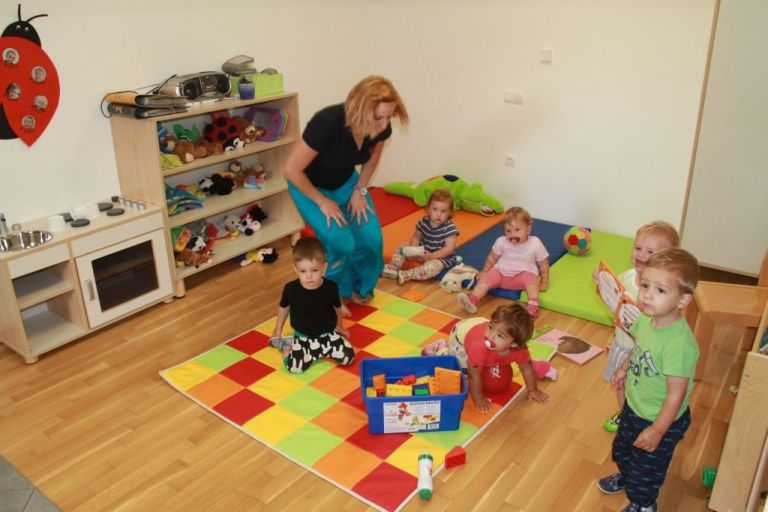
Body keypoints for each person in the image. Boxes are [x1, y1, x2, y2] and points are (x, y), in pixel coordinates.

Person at [283, 75, 409, 315]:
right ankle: (330, 294)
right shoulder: (327, 123)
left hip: (345, 182)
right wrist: (322, 201)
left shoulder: (380, 129)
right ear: (360, 111)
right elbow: (291, 170)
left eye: (388, 117)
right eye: (379, 118)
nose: (385, 125)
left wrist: (360, 190)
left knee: (372, 240)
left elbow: (372, 159)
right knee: (341, 243)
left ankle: (355, 288)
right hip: (308, 186)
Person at [597, 248, 699, 512]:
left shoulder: (679, 345)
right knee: (623, 449)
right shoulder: (646, 320)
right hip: (635, 406)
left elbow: (676, 395)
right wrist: (623, 367)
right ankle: (627, 476)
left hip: (660, 418)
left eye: (660, 290)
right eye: (644, 285)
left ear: (683, 300)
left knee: (647, 469)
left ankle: (643, 503)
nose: (647, 294)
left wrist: (658, 430)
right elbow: (638, 346)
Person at [595, 221, 680, 433]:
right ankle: (625, 416)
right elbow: (616, 306)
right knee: (620, 384)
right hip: (621, 343)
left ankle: (645, 419)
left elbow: (663, 322)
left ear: (666, 258)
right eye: (638, 247)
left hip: (643, 351)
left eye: (650, 251)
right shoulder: (627, 276)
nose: (641, 254)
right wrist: (603, 286)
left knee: (640, 388)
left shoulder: (662, 290)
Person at [422, 303, 548, 412]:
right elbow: (474, 376)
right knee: (461, 373)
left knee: (481, 362)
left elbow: (527, 368)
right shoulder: (479, 347)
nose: (490, 336)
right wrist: (478, 399)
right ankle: (440, 349)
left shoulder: (520, 351)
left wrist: (533, 390)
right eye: (491, 327)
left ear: (514, 344)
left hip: (477, 325)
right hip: (461, 334)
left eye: (500, 336)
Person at [269, 237, 355, 374]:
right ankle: (286, 346)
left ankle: (319, 351)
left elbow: (337, 307)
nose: (309, 276)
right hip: (303, 337)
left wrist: (340, 325)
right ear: (296, 269)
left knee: (348, 357)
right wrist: (278, 328)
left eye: (314, 270)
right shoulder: (291, 289)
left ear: (324, 267)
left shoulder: (331, 287)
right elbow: (284, 307)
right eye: (303, 271)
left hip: (327, 335)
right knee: (294, 367)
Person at [457, 206, 549, 317]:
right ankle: (473, 300)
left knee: (532, 281)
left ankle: (533, 306)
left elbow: (543, 264)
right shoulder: (501, 241)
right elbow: (492, 258)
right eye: (508, 231)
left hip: (521, 277)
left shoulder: (535, 243)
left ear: (528, 229)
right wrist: (485, 271)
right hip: (501, 274)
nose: (513, 235)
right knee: (486, 279)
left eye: (517, 230)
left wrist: (544, 281)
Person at [382, 188, 460, 285]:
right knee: (402, 248)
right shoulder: (423, 222)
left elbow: (449, 248)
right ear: (428, 209)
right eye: (435, 209)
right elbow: (416, 238)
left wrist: (432, 256)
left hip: (440, 258)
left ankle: (408, 274)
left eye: (443, 211)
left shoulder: (449, 228)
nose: (438, 214)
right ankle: (393, 266)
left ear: (450, 212)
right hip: (422, 251)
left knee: (432, 268)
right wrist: (414, 249)